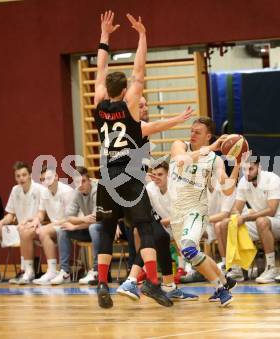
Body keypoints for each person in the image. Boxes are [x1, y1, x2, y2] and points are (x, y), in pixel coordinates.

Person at [93, 11, 172, 308]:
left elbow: (100, 69)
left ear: (107, 89)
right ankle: (152, 282)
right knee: (144, 229)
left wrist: (104, 36)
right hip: (129, 174)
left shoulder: (99, 102)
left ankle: (102, 282)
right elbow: (139, 69)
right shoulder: (130, 106)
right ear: (125, 91)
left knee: (104, 230)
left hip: (105, 175)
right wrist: (141, 35)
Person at [168, 117, 241, 307]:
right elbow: (181, 160)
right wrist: (211, 147)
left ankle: (220, 288)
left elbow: (227, 189)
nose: (192, 134)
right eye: (192, 130)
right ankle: (226, 280)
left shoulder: (214, 160)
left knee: (189, 248)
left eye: (197, 132)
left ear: (208, 136)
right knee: (193, 256)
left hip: (196, 210)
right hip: (176, 214)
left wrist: (238, 165)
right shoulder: (179, 145)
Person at [117, 162, 198, 301]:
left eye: (160, 174)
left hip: (181, 226)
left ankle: (137, 281)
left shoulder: (177, 188)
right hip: (161, 227)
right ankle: (137, 280)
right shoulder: (149, 188)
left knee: (160, 237)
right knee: (155, 235)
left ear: (168, 175)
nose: (157, 178)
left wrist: (168, 221)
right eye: (154, 175)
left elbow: (186, 213)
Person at [219, 156, 280, 284]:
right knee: (226, 224)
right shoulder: (243, 181)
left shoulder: (272, 179)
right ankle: (236, 269)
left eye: (251, 169)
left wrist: (246, 217)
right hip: (261, 223)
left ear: (259, 167)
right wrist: (236, 215)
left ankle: (271, 269)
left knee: (261, 221)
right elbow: (236, 208)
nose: (247, 172)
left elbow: (271, 210)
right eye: (244, 169)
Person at [0, 162, 43, 284]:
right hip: (19, 227)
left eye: (24, 175)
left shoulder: (39, 190)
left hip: (34, 228)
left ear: (30, 175)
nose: (21, 178)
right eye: (18, 176)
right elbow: (10, 215)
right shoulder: (15, 190)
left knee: (23, 231)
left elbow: (42, 214)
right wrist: (0, 223)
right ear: (15, 178)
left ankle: (26, 270)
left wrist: (30, 222)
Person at [19, 167, 74, 285]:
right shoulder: (44, 192)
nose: (46, 181)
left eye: (49, 178)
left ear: (56, 177)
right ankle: (29, 271)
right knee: (25, 232)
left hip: (67, 225)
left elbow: (70, 217)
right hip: (53, 226)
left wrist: (50, 224)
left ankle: (52, 270)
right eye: (43, 179)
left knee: (43, 231)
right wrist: (36, 220)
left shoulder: (66, 191)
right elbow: (41, 213)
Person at [51, 167, 101, 285]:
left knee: (93, 228)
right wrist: (82, 219)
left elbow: (95, 219)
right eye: (78, 182)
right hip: (87, 227)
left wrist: (76, 226)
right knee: (62, 229)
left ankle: (96, 270)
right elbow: (69, 217)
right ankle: (65, 272)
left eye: (83, 181)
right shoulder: (77, 192)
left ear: (89, 181)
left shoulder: (97, 190)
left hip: (102, 228)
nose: (81, 185)